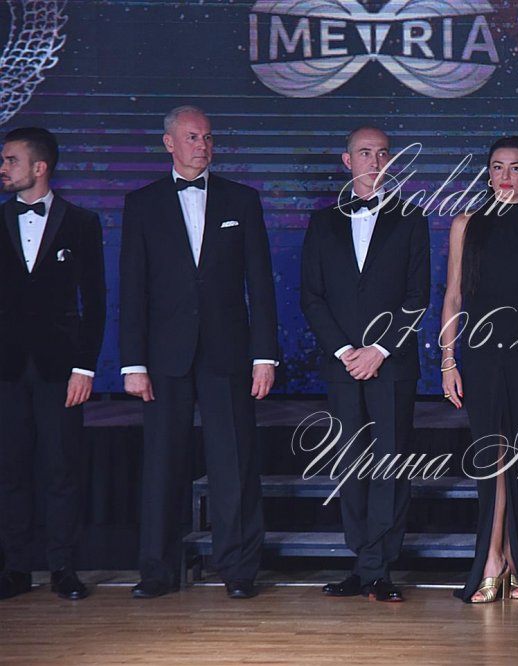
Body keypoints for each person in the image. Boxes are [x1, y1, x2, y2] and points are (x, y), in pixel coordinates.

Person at [119, 106, 279, 600]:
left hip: (227, 352)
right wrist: (133, 363)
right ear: (169, 143)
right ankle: (157, 570)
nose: (202, 146)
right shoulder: (141, 204)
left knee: (234, 463)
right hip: (164, 355)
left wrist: (265, 356)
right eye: (192, 137)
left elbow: (261, 284)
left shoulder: (242, 199)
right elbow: (132, 288)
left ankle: (238, 568)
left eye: (208, 137)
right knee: (162, 464)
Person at [300, 126, 430, 603]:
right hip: (342, 365)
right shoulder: (322, 223)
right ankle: (362, 562)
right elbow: (311, 296)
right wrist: (344, 352)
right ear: (347, 160)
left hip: (391, 364)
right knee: (351, 464)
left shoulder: (412, 219)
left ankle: (380, 568)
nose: (375, 161)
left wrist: (379, 350)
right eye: (365, 153)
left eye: (382, 153)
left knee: (390, 464)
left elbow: (417, 298)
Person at [441, 136, 518, 603]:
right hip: (478, 353)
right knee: (489, 458)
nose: (505, 175)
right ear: (487, 173)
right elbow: (453, 295)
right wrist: (448, 360)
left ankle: (507, 559)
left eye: (515, 167)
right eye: (497, 166)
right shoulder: (465, 224)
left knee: (515, 461)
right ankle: (493, 561)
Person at [0, 127, 106, 601]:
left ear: (40, 167)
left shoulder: (82, 222)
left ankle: (63, 567)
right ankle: (15, 568)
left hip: (60, 369)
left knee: (62, 468)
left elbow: (95, 302)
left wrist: (85, 367)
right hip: (5, 367)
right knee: (10, 468)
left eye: (11, 160)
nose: (3, 169)